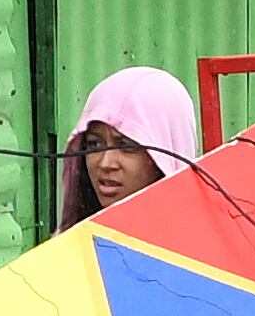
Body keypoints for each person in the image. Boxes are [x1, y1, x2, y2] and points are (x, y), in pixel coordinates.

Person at [58, 66, 200, 228]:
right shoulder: (68, 248)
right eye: (94, 144)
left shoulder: (203, 248)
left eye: (126, 146)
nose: (106, 163)